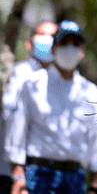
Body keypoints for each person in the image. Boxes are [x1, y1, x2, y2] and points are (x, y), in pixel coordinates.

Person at [4, 20, 97, 194]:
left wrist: (95, 185)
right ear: (53, 49)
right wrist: (18, 177)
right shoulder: (32, 86)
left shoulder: (92, 93)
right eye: (64, 43)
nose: (69, 48)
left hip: (75, 178)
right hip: (38, 175)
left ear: (82, 51)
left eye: (75, 44)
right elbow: (17, 132)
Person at [1, 22, 57, 194]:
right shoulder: (21, 73)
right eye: (42, 34)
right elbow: (9, 114)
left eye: (53, 36)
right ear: (29, 42)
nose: (47, 40)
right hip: (14, 172)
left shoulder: (63, 78)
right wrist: (18, 174)